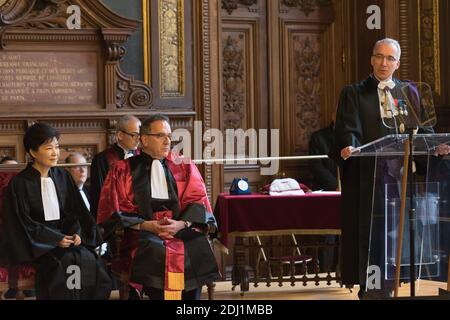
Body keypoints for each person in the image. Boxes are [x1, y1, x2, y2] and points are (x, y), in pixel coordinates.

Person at [333, 38, 450, 299]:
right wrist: (349, 147)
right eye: (379, 57)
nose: (384, 63)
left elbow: (423, 134)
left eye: (390, 58)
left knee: (398, 237)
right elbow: (348, 131)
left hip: (400, 181)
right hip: (368, 180)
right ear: (371, 59)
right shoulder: (354, 93)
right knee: (372, 239)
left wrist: (435, 148)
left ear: (397, 63)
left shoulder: (409, 93)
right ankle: (373, 290)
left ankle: (397, 285)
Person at [97, 114, 220, 300]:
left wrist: (181, 224)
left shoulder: (184, 165)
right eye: (160, 136)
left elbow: (198, 200)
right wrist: (147, 225)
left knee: (196, 244)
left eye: (169, 136)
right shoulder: (122, 169)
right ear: (144, 139)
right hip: (142, 231)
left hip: (179, 227)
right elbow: (113, 209)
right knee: (154, 249)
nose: (167, 141)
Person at [1, 123, 111, 300]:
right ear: (33, 152)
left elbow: (75, 212)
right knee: (65, 261)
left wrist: (76, 233)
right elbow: (23, 223)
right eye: (49, 148)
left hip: (65, 239)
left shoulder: (63, 176)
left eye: (57, 147)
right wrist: (54, 239)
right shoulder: (20, 183)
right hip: (38, 245)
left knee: (88, 258)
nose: (55, 153)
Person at [90, 115, 141, 218]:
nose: (138, 139)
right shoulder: (102, 159)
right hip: (114, 218)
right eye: (134, 135)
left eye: (140, 135)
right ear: (120, 135)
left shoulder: (142, 157)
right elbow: (99, 195)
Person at [309, 117, 338, 191]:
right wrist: (337, 185)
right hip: (324, 189)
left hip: (351, 189)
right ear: (333, 115)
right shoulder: (317, 137)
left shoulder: (354, 137)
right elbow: (315, 165)